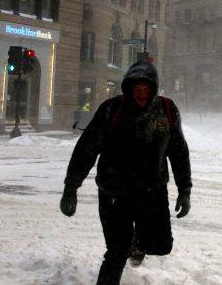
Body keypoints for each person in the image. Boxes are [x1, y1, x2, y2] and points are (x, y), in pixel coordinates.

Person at [59, 61, 192, 285]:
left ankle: (136, 243)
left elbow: (179, 152)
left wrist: (184, 190)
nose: (141, 95)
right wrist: (71, 188)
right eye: (136, 89)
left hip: (152, 192)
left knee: (161, 245)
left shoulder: (167, 110)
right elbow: (86, 149)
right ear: (128, 89)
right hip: (115, 193)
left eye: (146, 89)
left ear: (154, 89)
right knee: (116, 252)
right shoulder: (112, 109)